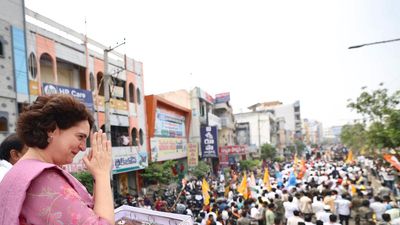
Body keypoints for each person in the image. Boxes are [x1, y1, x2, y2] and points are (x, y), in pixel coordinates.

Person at [0, 94, 114, 225]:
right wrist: (102, 174)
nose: (83, 147)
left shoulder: (19, 170)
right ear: (51, 130)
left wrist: (97, 177)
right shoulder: (42, 179)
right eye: (80, 137)